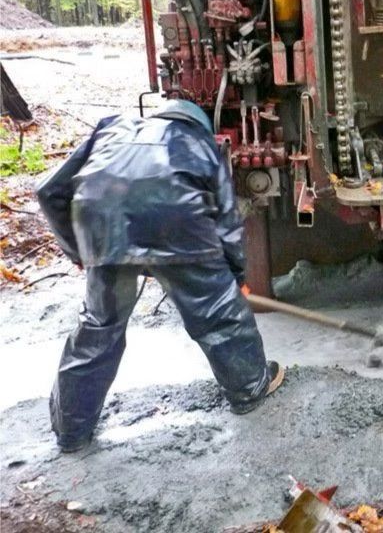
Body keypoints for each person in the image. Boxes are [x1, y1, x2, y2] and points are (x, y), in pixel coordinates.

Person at [36, 99, 284, 453]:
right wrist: (233, 279)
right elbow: (227, 224)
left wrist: (79, 251)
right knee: (218, 313)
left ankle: (72, 432)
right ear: (198, 125)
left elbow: (48, 191)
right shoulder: (200, 144)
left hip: (103, 225)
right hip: (178, 224)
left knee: (98, 329)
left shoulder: (109, 129)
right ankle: (249, 388)